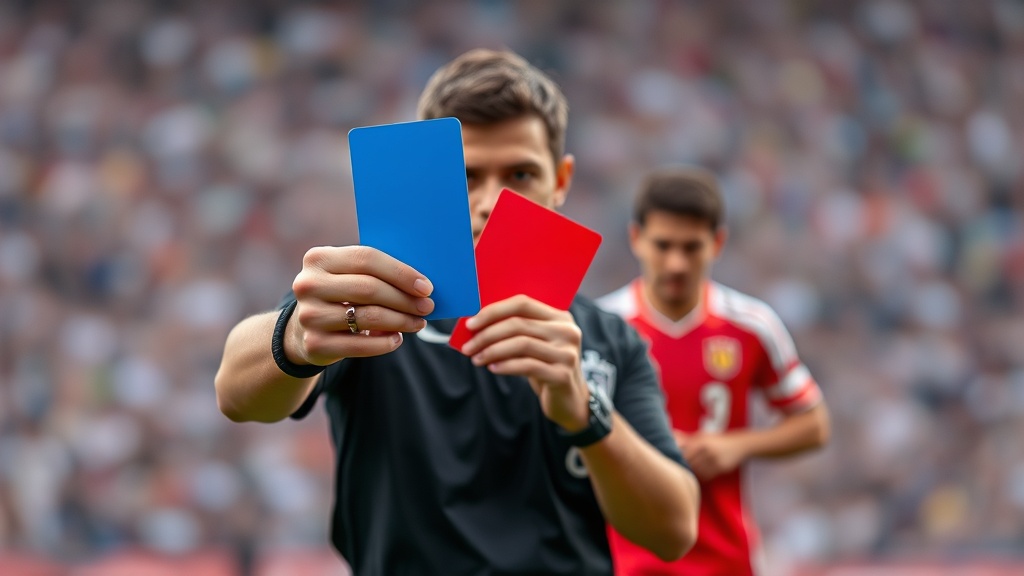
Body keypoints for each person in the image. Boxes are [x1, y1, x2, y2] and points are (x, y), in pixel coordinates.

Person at [214, 49, 699, 576]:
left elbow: (674, 531)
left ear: (560, 181)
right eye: (467, 176)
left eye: (520, 172)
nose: (491, 200)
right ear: (431, 183)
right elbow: (236, 393)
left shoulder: (607, 338)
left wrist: (584, 413)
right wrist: (297, 338)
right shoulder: (372, 306)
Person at [597, 167, 831, 576]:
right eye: (663, 245)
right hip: (624, 561)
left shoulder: (751, 325)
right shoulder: (602, 327)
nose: (676, 263)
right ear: (636, 239)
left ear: (717, 243)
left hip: (723, 559)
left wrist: (735, 446)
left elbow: (814, 424)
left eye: (691, 247)